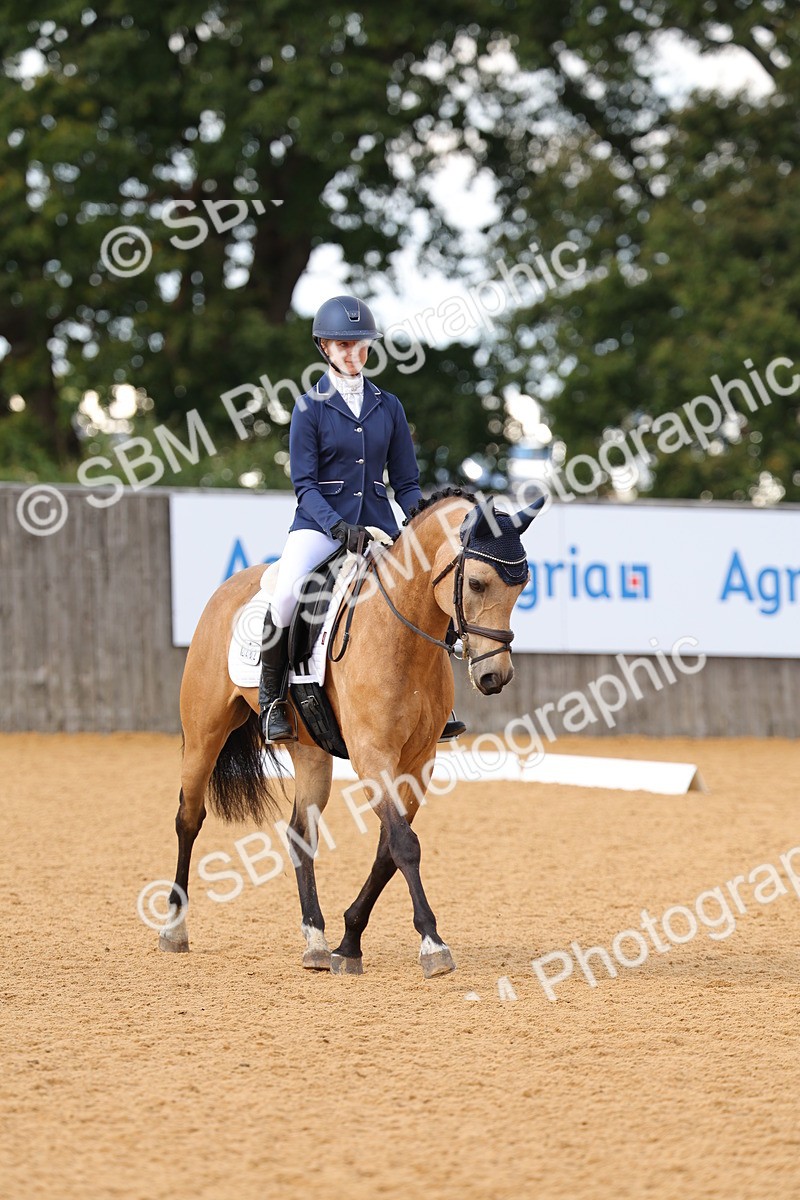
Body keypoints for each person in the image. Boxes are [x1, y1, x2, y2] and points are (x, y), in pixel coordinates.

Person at [259, 294, 466, 745]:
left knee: (430, 582)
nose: (354, 354)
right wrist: (335, 526)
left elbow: (406, 482)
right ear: (325, 348)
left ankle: (440, 701)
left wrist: (419, 523)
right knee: (288, 594)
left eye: (362, 345)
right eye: (343, 345)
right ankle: (272, 700)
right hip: (319, 527)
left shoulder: (388, 405)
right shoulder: (309, 407)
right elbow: (305, 485)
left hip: (377, 521)